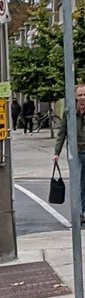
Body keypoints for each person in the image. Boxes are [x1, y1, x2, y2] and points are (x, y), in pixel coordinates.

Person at [53, 84, 85, 226]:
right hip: (76, 152)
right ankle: (78, 213)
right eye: (80, 95)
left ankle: (83, 210)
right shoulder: (69, 112)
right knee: (77, 183)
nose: (83, 98)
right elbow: (62, 132)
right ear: (75, 97)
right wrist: (56, 152)